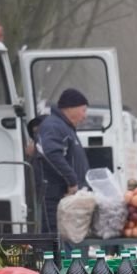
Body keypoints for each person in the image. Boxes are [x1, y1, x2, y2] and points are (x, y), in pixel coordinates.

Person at [35, 88, 92, 235]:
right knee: (54, 237)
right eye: (83, 110)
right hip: (55, 195)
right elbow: (51, 153)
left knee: (66, 239)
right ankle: (51, 259)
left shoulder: (66, 127)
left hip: (66, 197)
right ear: (71, 108)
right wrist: (72, 181)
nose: (85, 116)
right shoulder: (54, 126)